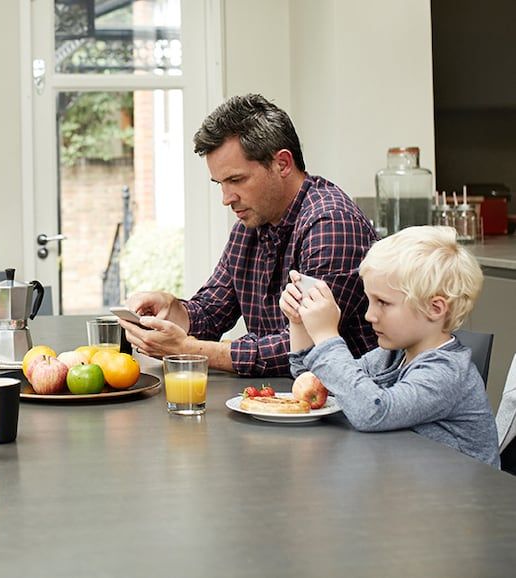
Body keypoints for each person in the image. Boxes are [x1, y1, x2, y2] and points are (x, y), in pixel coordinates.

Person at [120, 94, 378, 377]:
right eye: (220, 183)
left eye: (236, 180)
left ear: (282, 163)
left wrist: (190, 349)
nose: (226, 198)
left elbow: (304, 346)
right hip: (278, 402)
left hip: (342, 407)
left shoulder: (332, 224)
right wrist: (171, 309)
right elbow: (210, 312)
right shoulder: (250, 226)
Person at [281, 226, 499, 467]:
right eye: (370, 300)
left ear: (435, 309)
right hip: (407, 488)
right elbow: (318, 384)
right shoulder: (393, 355)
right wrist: (300, 323)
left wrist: (326, 335)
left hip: (460, 500)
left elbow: (372, 412)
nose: (369, 315)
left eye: (383, 302)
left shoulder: (447, 372)